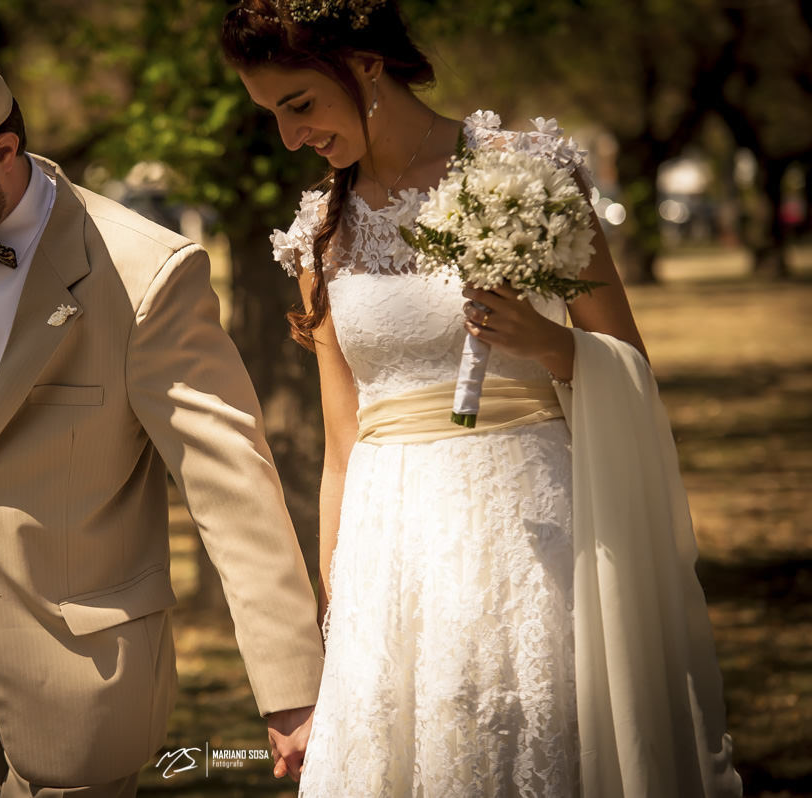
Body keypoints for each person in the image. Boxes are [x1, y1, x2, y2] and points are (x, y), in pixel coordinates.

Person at [221, 1, 743, 795]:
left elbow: (627, 363)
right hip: (388, 554)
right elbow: (340, 441)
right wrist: (340, 600)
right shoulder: (319, 229)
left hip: (531, 535)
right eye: (274, 117)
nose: (294, 137)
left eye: (300, 104)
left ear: (365, 63)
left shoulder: (525, 176)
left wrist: (549, 345)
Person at [0, 38, 324, 797]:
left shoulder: (147, 276)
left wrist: (291, 687)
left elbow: (232, 485)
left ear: (3, 151)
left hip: (81, 670)